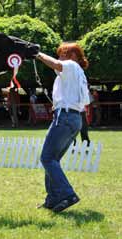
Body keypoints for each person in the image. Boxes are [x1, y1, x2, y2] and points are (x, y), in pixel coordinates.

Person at [35, 42, 90, 212]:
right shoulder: (79, 74)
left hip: (65, 117)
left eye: (62, 54)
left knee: (47, 158)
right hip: (75, 119)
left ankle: (67, 193)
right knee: (53, 159)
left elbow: (55, 64)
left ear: (73, 56)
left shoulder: (71, 65)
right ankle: (52, 198)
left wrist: (37, 53)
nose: (59, 57)